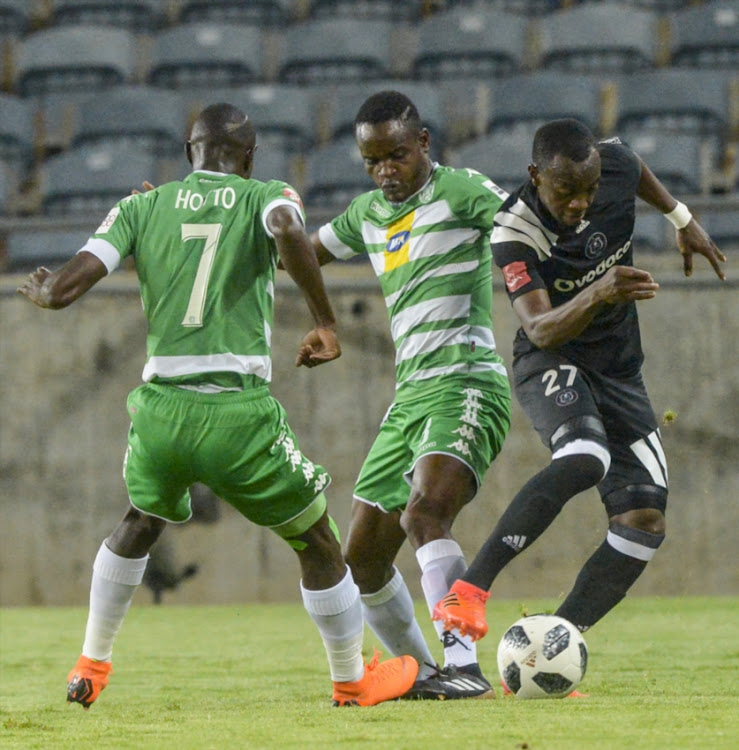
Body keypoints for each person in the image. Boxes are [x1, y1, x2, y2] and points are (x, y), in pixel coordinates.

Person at [17, 103, 418, 709]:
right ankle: (351, 681)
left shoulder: (139, 206)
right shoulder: (267, 195)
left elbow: (66, 287)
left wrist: (45, 292)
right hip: (236, 412)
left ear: (189, 154)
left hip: (160, 412)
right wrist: (325, 322)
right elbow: (287, 231)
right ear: (250, 156)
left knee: (140, 521)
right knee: (318, 542)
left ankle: (91, 665)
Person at [433, 119, 727, 666]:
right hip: (552, 358)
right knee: (585, 456)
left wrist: (680, 218)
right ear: (535, 176)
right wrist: (598, 292)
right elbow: (540, 328)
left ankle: (553, 647)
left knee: (644, 520)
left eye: (590, 190)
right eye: (566, 192)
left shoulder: (610, 165)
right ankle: (470, 589)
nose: (581, 204)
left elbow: (634, 167)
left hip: (619, 372)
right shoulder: (513, 230)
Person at [308, 91, 512, 699]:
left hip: (468, 379)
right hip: (411, 397)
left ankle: (465, 667)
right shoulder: (367, 213)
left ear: (423, 143)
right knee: (363, 557)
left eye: (396, 155)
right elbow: (295, 252)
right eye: (373, 161)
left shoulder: (463, 190)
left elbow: (526, 227)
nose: (385, 171)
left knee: (424, 513)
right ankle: (424, 675)